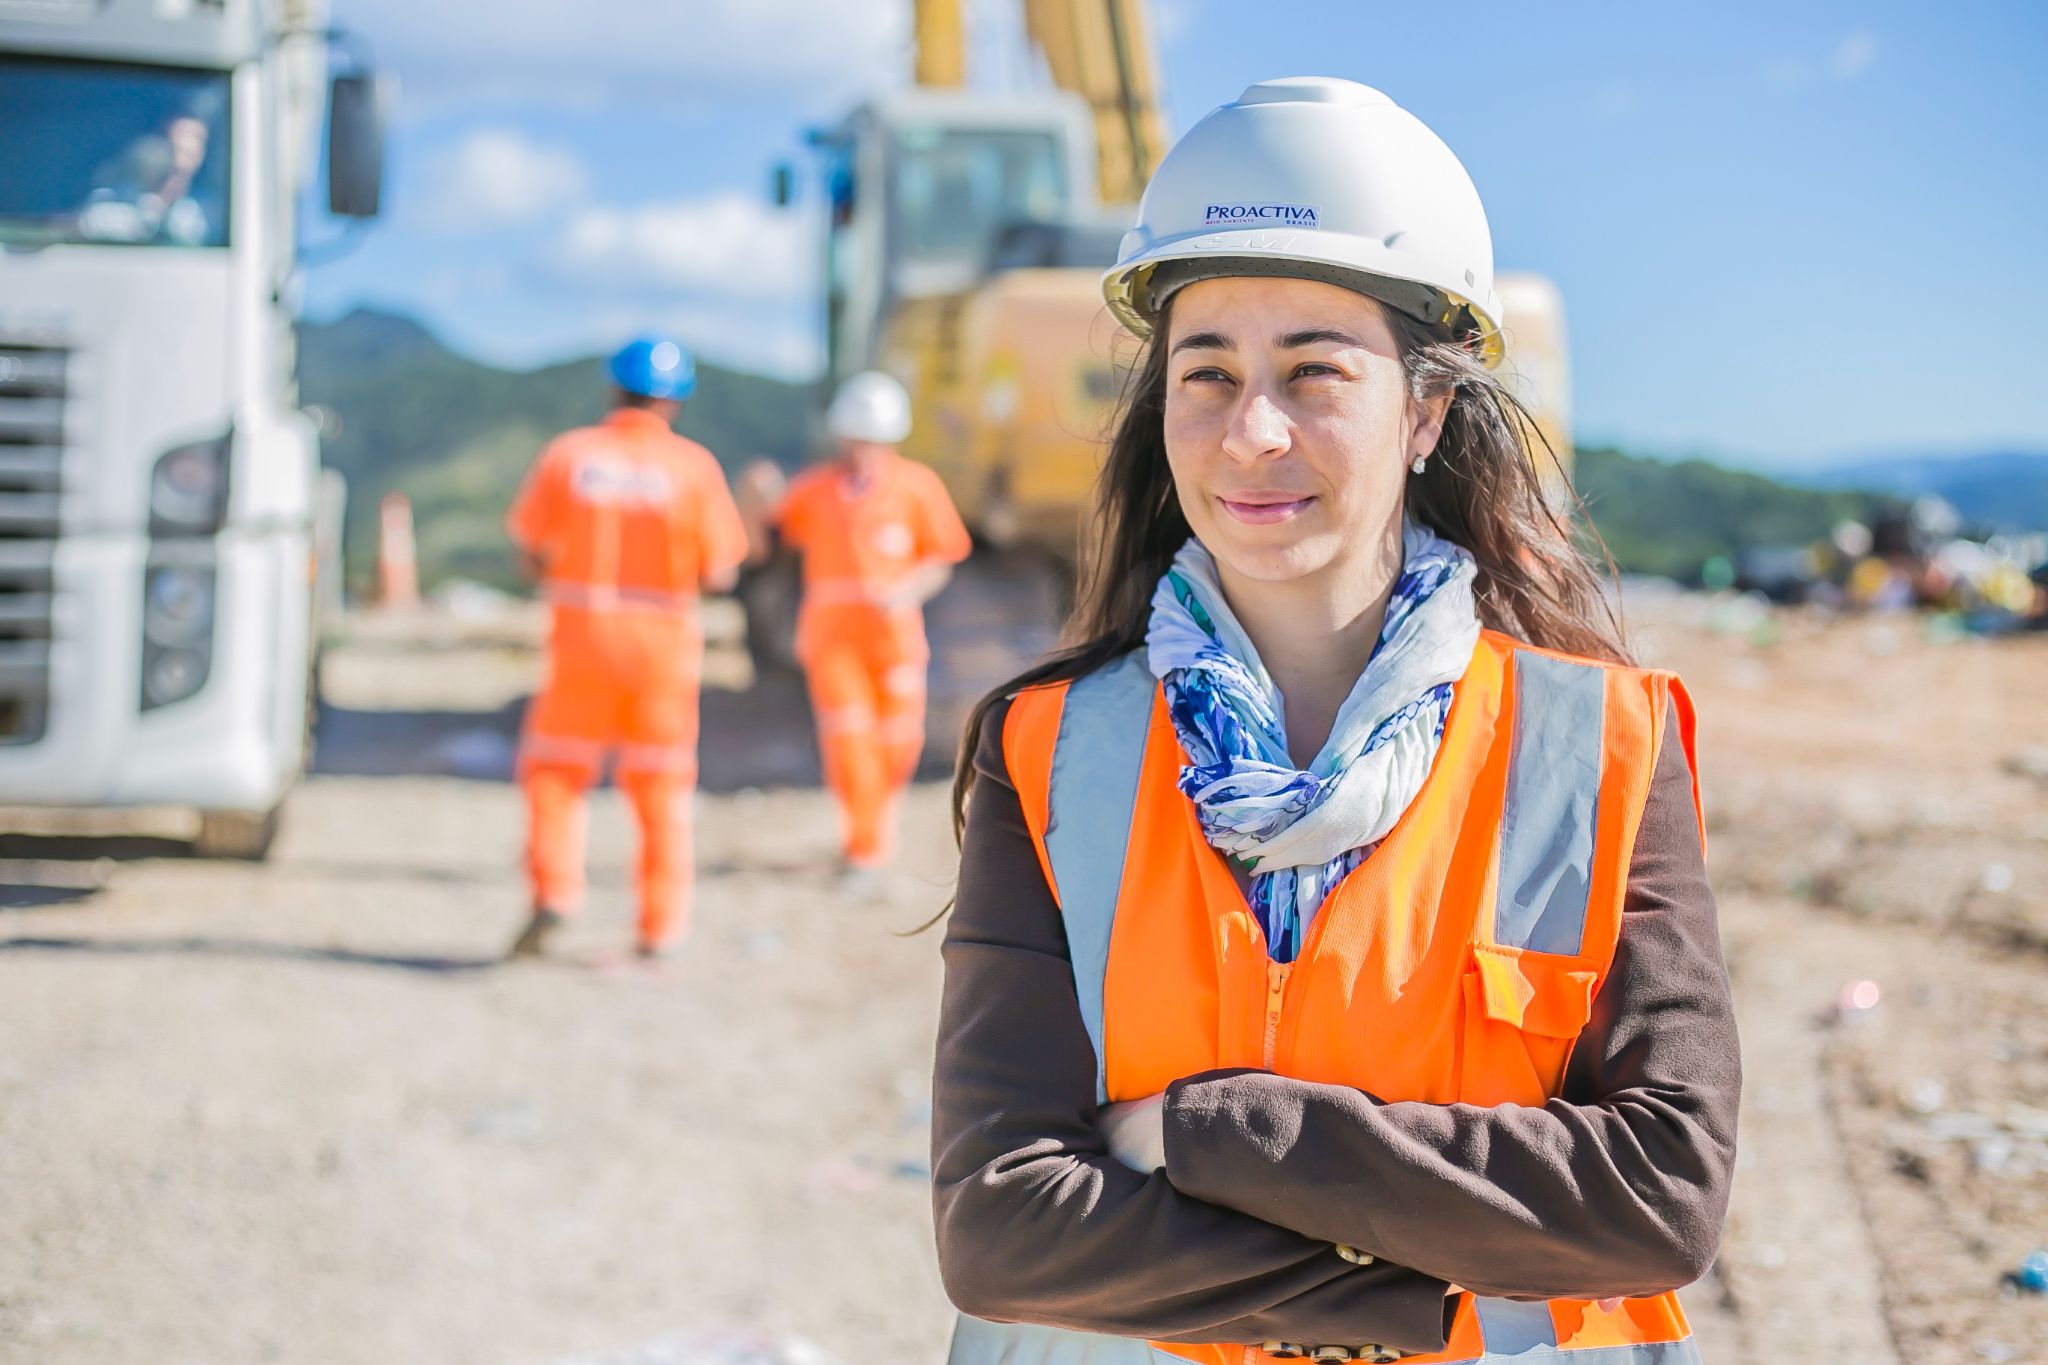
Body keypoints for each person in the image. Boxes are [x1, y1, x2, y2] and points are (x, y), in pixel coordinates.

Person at [932, 77, 1738, 1365]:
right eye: (1206, 374)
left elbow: (1654, 1197)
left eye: (1313, 371)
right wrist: (1426, 1287)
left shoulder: (1601, 747)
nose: (1252, 431)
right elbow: (1001, 1229)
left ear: (1422, 411)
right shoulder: (1048, 749)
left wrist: (1210, 1132)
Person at [504, 336, 747, 960]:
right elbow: (721, 572)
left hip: (582, 638)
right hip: (663, 647)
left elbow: (530, 551)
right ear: (676, 400)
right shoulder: (694, 468)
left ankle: (555, 891)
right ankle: (660, 927)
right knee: (661, 787)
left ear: (614, 389)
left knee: (556, 772)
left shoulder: (569, 455)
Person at [769, 372, 972, 887]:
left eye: (873, 440)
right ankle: (865, 849)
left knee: (899, 740)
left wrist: (906, 591)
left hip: (895, 635)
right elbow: (774, 534)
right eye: (856, 439)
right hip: (833, 637)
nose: (864, 451)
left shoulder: (917, 486)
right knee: (850, 742)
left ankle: (874, 829)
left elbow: (941, 557)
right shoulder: (814, 490)